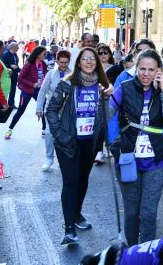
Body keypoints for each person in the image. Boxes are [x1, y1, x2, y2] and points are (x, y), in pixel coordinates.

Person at [109, 49, 163, 245]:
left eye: (151, 70)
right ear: (136, 68)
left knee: (148, 213)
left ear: (158, 71)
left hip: (156, 160)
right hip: (129, 159)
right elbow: (109, 117)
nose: (146, 74)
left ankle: (144, 253)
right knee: (131, 214)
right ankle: (131, 251)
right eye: (142, 69)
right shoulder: (124, 88)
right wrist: (115, 147)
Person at [46, 47, 112, 245]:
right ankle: (68, 229)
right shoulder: (67, 83)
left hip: (90, 142)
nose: (90, 61)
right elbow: (51, 110)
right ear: (79, 62)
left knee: (83, 178)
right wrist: (60, 135)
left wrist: (108, 97)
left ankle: (77, 215)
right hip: (68, 142)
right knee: (71, 180)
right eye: (85, 58)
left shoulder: (103, 86)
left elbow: (109, 117)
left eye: (93, 58)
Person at [37, 50, 72, 170]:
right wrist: (39, 108)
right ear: (57, 61)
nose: (63, 65)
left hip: (67, 110)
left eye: (66, 62)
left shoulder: (73, 74)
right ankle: (49, 158)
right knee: (49, 133)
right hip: (51, 109)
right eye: (61, 62)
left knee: (66, 134)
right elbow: (42, 91)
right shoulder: (50, 74)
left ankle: (66, 159)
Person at [6, 45, 48, 139]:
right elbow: (20, 78)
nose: (46, 55)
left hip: (39, 91)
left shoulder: (44, 64)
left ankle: (44, 129)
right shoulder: (29, 64)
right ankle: (10, 129)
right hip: (27, 91)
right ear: (38, 54)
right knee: (20, 111)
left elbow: (45, 77)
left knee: (44, 109)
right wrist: (32, 84)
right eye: (44, 53)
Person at [1, 41, 20, 110]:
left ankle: (11, 104)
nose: (18, 48)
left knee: (13, 90)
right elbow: (1, 64)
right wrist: (10, 66)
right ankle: (3, 104)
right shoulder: (6, 54)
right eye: (17, 47)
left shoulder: (15, 55)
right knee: (5, 90)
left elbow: (16, 65)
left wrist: (20, 70)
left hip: (14, 75)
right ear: (13, 47)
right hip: (7, 76)